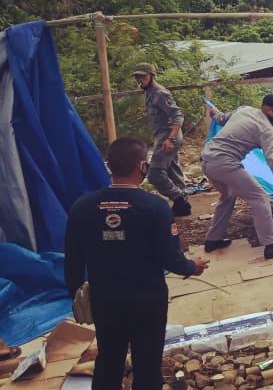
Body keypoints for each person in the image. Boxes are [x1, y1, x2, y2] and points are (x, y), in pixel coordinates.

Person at [65, 137, 208, 390]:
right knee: (147, 362)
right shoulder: (155, 207)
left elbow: (73, 260)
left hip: (105, 299)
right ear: (143, 166)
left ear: (109, 165)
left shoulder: (82, 207)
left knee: (108, 359)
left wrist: (77, 296)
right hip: (148, 300)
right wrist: (191, 266)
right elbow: (170, 258)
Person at [202, 93, 273, 259]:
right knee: (260, 197)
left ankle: (213, 239)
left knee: (228, 195)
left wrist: (214, 112)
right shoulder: (266, 129)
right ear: (268, 109)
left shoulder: (244, 110)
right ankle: (271, 245)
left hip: (207, 160)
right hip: (225, 164)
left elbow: (222, 119)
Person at [132, 62, 191, 217]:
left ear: (152, 76)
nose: (140, 80)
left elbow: (177, 116)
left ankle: (179, 200)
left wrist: (170, 139)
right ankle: (184, 204)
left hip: (168, 136)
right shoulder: (149, 91)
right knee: (173, 169)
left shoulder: (160, 93)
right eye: (137, 77)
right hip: (162, 136)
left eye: (143, 77)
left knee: (155, 173)